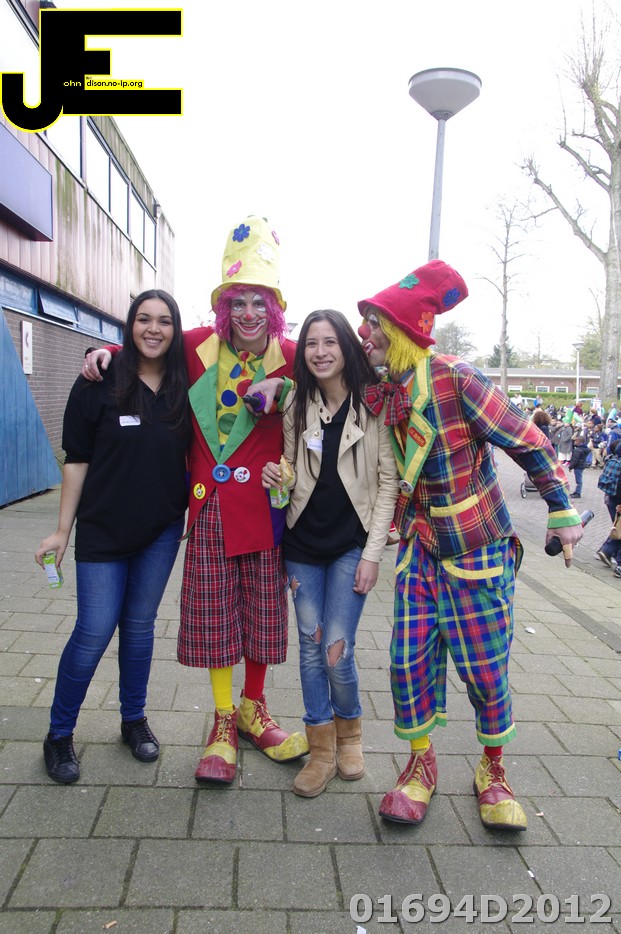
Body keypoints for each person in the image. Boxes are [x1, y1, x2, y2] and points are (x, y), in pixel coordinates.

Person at [356, 260, 583, 831]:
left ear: (401, 330)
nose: (364, 333)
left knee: (485, 670)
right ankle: (420, 765)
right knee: (407, 662)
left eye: (374, 324)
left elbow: (528, 439)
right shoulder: (383, 386)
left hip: (478, 549)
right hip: (419, 548)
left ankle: (493, 769)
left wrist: (560, 508)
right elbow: (317, 366)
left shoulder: (457, 377)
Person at [82, 216, 308, 786]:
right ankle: (223, 720)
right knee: (214, 616)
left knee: (262, 614)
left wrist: (286, 386)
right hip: (209, 507)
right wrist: (103, 350)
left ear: (274, 308)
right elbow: (146, 345)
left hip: (265, 507)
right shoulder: (195, 346)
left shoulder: (292, 355)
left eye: (259, 302)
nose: (249, 313)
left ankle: (254, 709)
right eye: (239, 302)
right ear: (225, 306)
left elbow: (339, 379)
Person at [35, 290, 190, 783]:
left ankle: (133, 719)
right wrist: (62, 530)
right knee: (94, 630)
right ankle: (59, 734)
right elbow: (77, 459)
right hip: (103, 528)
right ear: (129, 325)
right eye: (143, 319)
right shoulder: (98, 380)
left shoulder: (186, 383)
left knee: (140, 628)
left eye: (164, 321)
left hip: (161, 528)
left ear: (175, 329)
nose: (153, 329)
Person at [261, 310, 399, 797]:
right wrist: (276, 476)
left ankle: (351, 735)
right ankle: (321, 749)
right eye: (311, 343)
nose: (319, 352)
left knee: (337, 648)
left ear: (346, 347)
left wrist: (373, 554)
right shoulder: (297, 401)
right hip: (301, 543)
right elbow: (289, 464)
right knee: (309, 644)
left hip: (350, 546)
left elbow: (388, 483)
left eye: (329, 342)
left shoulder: (374, 403)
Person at [595, 438, 621, 569]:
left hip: (611, 497)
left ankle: (607, 551)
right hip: (618, 499)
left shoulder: (612, 459)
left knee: (618, 526)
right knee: (619, 527)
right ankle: (609, 552)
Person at [568, 424, 590, 498]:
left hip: (578, 466)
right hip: (582, 465)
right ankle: (577, 491)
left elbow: (575, 460)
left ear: (578, 442)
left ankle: (578, 492)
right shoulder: (584, 449)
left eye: (576, 441)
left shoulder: (578, 450)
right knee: (579, 479)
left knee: (578, 480)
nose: (574, 442)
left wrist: (571, 466)